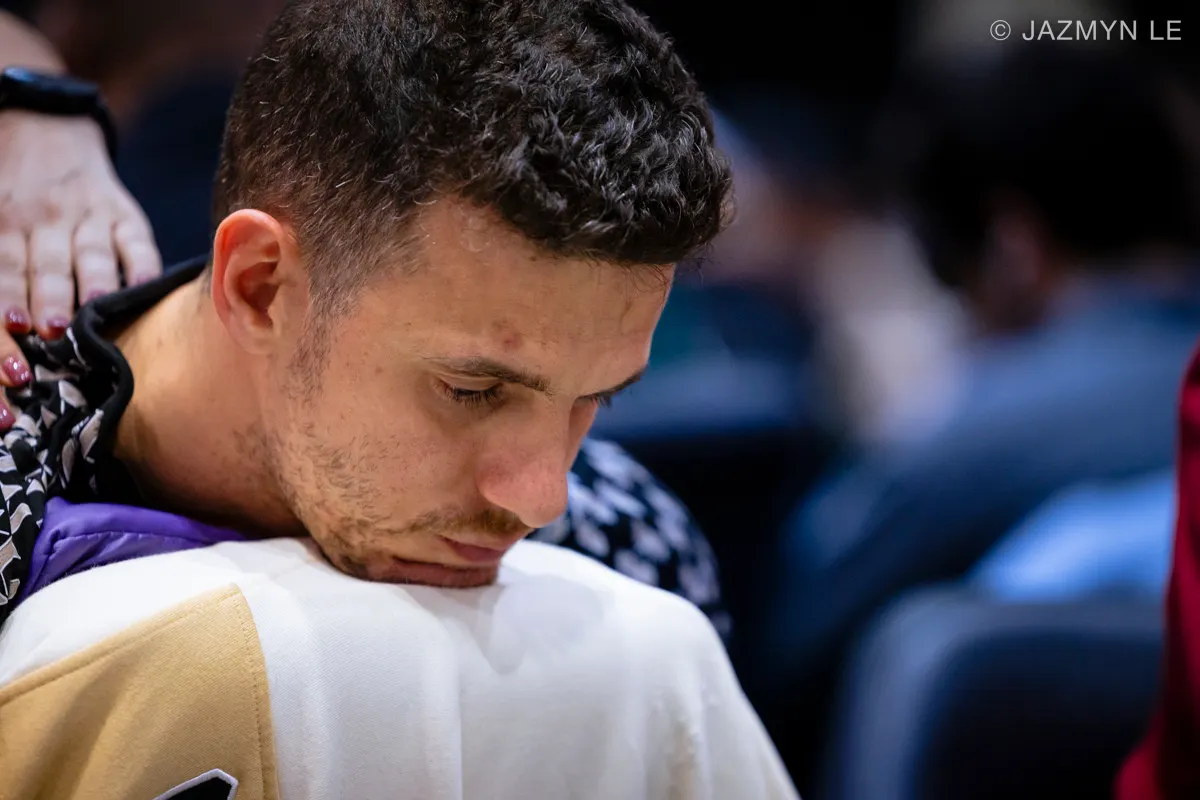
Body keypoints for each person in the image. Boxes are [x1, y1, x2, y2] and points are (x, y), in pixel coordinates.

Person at [0, 1, 799, 796]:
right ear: (260, 286)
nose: (540, 500)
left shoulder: (630, 544)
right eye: (472, 390)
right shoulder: (12, 498)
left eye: (597, 399)